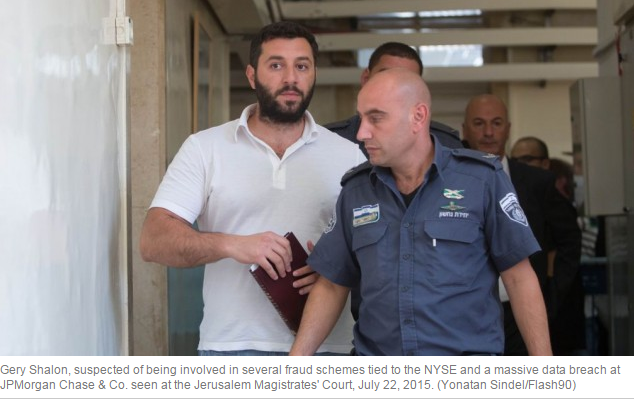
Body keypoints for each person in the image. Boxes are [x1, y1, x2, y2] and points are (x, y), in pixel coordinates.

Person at [289, 68, 552, 356]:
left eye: (376, 118)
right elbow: (331, 286)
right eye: (361, 118)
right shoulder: (357, 190)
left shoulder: (482, 180)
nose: (362, 132)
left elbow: (519, 278)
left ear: (418, 117)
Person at [140, 21, 365, 355]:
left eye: (301, 66)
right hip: (230, 349)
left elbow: (383, 253)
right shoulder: (205, 148)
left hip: (328, 349)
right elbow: (153, 241)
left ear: (314, 73)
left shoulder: (351, 155)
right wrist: (232, 245)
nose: (291, 78)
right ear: (251, 75)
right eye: (276, 65)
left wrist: (336, 269)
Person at [462, 95, 581, 356]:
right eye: (479, 123)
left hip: (522, 314)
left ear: (508, 128)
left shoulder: (538, 182)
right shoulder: (447, 180)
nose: (489, 132)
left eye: (496, 123)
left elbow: (569, 242)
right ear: (465, 130)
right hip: (466, 316)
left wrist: (550, 297)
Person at [511, 137, 587, 356]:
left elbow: (568, 245)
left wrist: (550, 298)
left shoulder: (550, 197)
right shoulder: (513, 199)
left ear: (545, 164)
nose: (520, 165)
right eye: (515, 159)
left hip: (558, 310)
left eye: (527, 159)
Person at [326, 41, 463, 159]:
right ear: (366, 79)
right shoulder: (331, 140)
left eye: (404, 79)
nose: (391, 86)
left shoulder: (445, 144)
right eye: (383, 75)